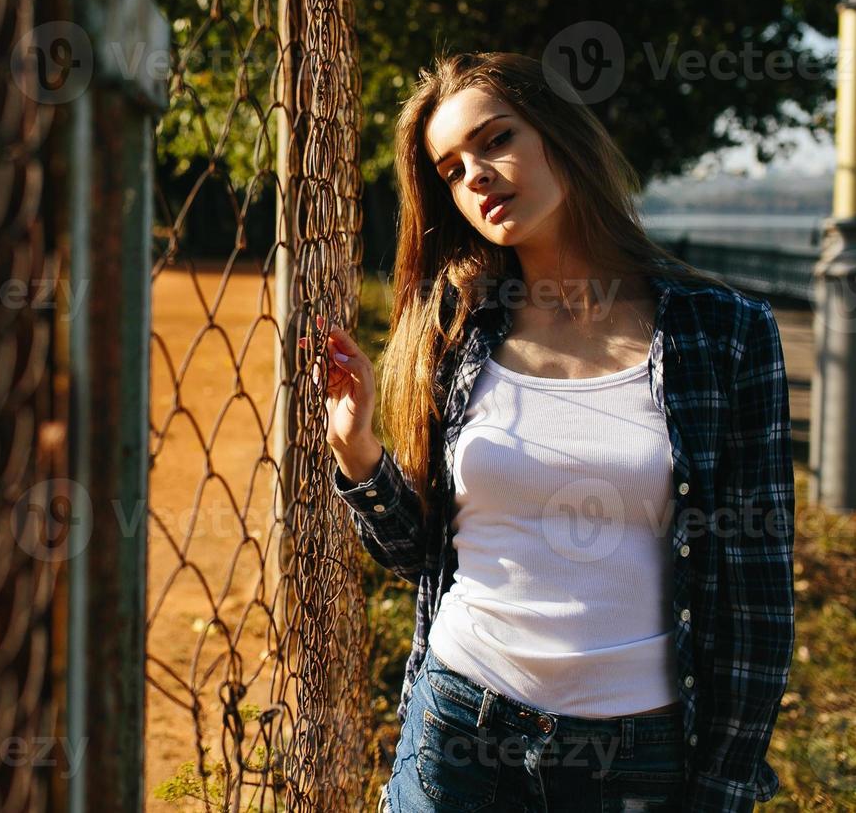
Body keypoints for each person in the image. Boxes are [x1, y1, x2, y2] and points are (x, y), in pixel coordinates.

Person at [311, 52, 795, 812]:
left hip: (634, 757)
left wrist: (723, 788)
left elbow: (756, 598)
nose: (474, 174)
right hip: (459, 728)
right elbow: (426, 554)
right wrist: (359, 452)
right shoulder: (460, 327)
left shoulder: (725, 335)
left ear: (559, 135)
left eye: (495, 139)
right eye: (449, 169)